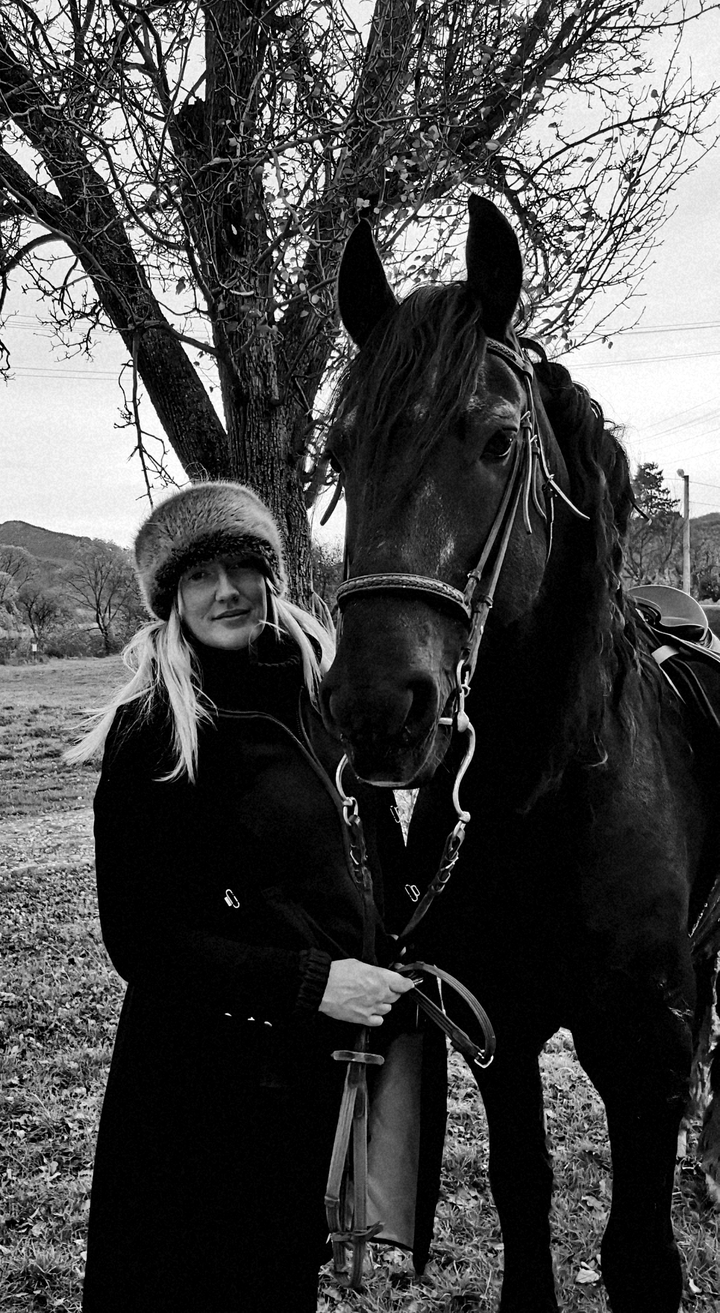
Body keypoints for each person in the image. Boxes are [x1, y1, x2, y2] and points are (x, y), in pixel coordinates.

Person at [69, 481, 413, 1313]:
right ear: (171, 599)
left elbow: (363, 856)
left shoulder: (322, 695)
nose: (225, 590)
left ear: (272, 573)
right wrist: (315, 981)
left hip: (306, 1073)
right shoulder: (157, 727)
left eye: (242, 565)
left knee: (278, 1275)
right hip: (196, 1089)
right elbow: (141, 941)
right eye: (198, 576)